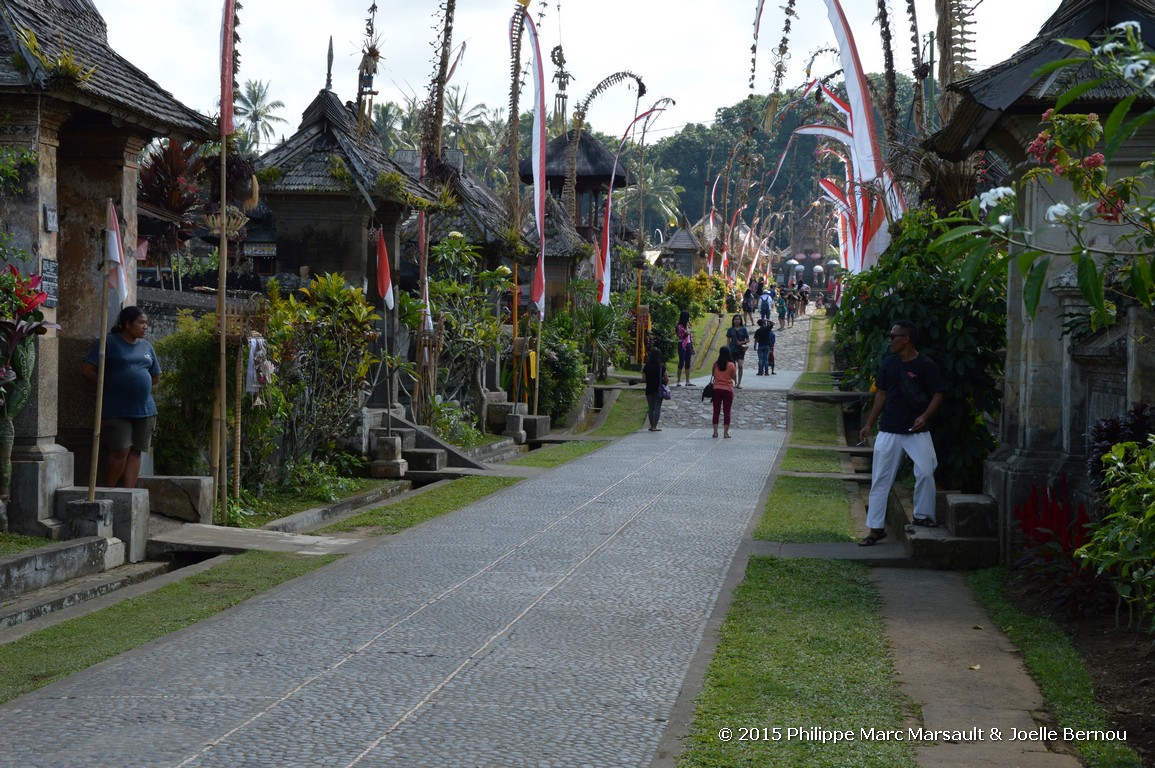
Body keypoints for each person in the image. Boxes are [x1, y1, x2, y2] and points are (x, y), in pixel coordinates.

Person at [857, 320, 946, 546]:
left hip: (917, 430)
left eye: (893, 336)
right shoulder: (889, 364)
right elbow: (881, 394)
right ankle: (875, 528)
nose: (889, 340)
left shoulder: (926, 365)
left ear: (906, 339)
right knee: (880, 479)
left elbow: (938, 395)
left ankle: (923, 515)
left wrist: (924, 417)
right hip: (889, 429)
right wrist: (869, 423)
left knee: (926, 471)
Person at [81, 306, 162, 488]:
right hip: (116, 407)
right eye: (141, 322)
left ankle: (129, 493)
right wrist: (109, 386)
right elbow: (87, 369)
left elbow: (155, 376)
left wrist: (139, 385)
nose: (145, 327)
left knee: (136, 451)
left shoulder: (147, 347)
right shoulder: (110, 343)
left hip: (145, 409)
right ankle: (108, 491)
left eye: (146, 323)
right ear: (127, 324)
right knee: (120, 450)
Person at [710, 346, 736, 439]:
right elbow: (733, 377)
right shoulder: (731, 365)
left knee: (716, 411)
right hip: (728, 389)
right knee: (727, 411)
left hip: (716, 389)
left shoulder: (715, 364)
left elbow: (713, 375)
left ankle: (715, 432)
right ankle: (725, 433)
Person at [641, 343, 668, 432]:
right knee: (657, 407)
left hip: (649, 389)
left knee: (650, 407)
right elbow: (666, 379)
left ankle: (651, 425)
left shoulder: (646, 367)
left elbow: (643, 379)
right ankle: (654, 426)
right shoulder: (661, 367)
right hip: (658, 389)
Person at [724, 314, 749, 389]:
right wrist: (727, 349)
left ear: (740, 320)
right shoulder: (730, 330)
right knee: (733, 367)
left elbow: (748, 339)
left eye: (738, 319)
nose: (736, 321)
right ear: (733, 321)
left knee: (740, 366)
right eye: (735, 319)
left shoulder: (743, 329)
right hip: (732, 350)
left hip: (740, 350)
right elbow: (728, 341)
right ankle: (735, 381)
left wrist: (741, 343)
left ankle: (739, 383)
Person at [675, 310, 696, 387]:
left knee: (688, 362)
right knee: (681, 361)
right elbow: (681, 336)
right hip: (682, 344)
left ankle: (687, 381)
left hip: (688, 344)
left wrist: (692, 346)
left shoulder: (687, 325)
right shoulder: (679, 326)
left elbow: (690, 336)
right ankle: (678, 380)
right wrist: (686, 332)